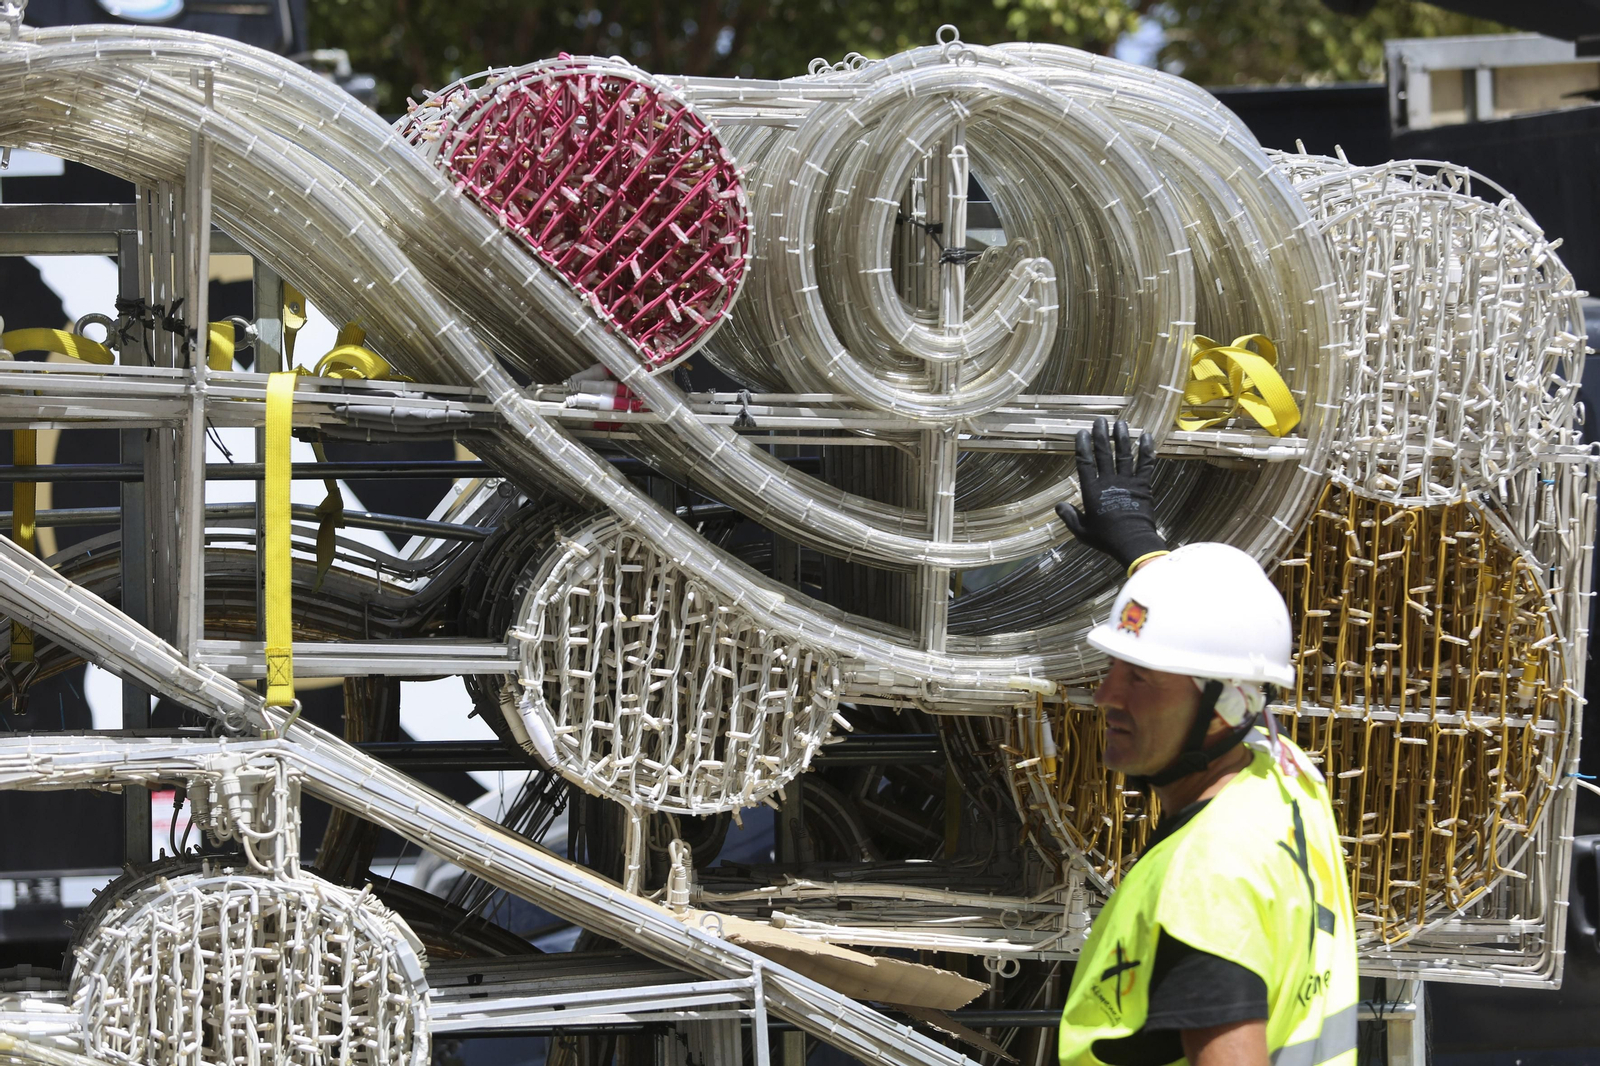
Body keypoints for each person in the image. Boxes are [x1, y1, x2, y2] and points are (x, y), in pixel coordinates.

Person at [1053, 418, 1358, 1066]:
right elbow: (1230, 657)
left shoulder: (1208, 879)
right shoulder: (1285, 779)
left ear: (1223, 709)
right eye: (1114, 669)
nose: (1107, 695)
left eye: (1140, 678)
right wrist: (1139, 544)